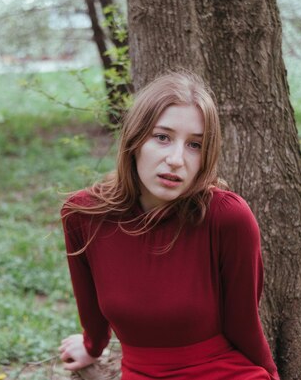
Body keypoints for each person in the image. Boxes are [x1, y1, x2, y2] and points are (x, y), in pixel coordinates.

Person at [58, 71, 280, 380]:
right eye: (162, 137)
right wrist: (92, 346)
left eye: (195, 145)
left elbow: (244, 324)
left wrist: (270, 374)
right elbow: (92, 311)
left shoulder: (227, 217)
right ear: (135, 140)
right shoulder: (84, 215)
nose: (176, 159)